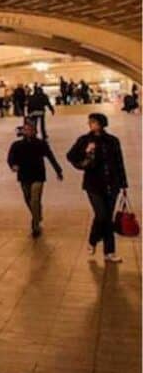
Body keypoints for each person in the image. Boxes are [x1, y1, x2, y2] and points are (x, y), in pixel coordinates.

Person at [67, 113, 129, 263]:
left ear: (102, 124)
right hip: (93, 184)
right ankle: (93, 239)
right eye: (90, 122)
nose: (91, 124)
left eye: (94, 122)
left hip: (112, 184)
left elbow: (119, 162)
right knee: (101, 215)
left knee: (107, 218)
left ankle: (109, 252)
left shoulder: (112, 141)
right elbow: (71, 156)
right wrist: (85, 153)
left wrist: (123, 183)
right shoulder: (84, 140)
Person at [7, 121, 63, 238]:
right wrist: (13, 165)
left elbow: (50, 157)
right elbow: (11, 158)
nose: (28, 132)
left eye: (30, 130)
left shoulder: (41, 144)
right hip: (24, 176)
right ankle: (37, 214)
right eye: (26, 130)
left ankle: (35, 224)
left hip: (38, 175)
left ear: (35, 131)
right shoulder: (17, 145)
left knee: (35, 199)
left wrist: (58, 170)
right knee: (28, 199)